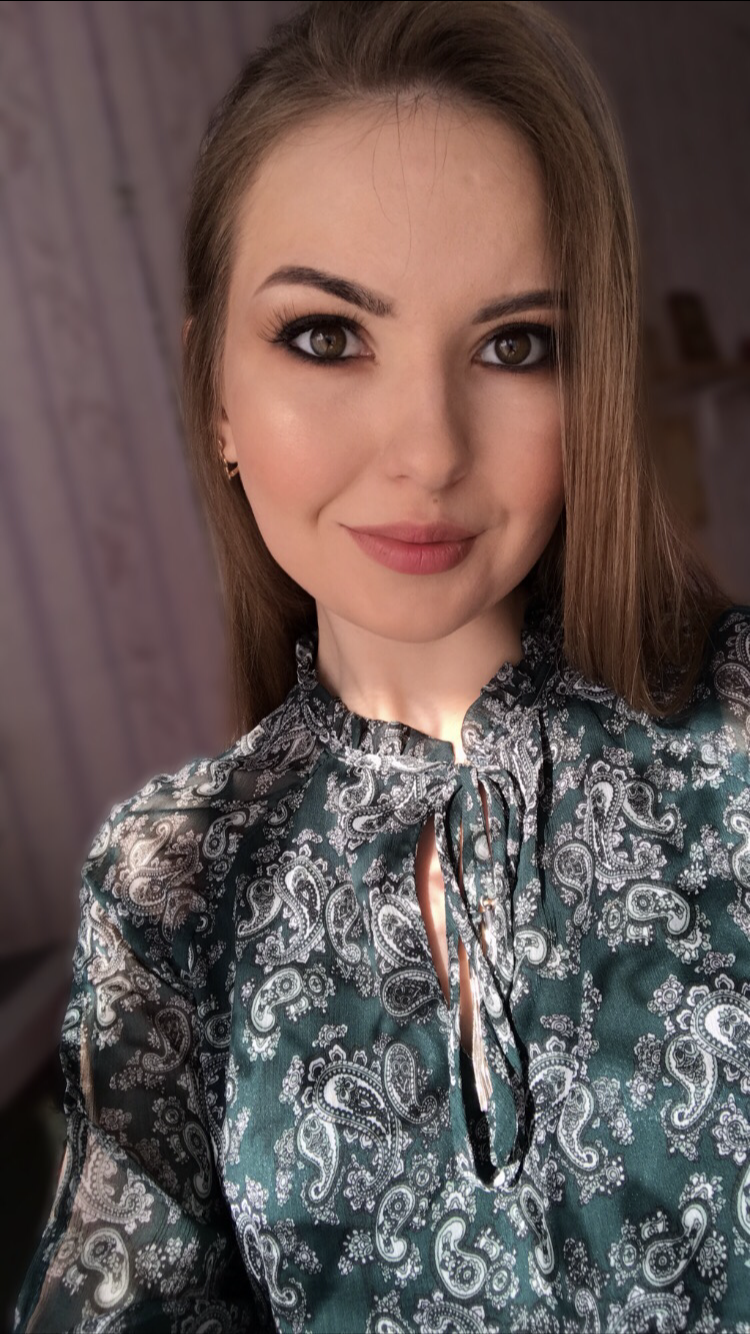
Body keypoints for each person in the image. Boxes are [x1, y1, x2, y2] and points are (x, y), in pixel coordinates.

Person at [14, 1, 750, 1330]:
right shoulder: (170, 881)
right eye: (326, 335)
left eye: (514, 344)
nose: (428, 451)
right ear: (215, 390)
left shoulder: (738, 731)